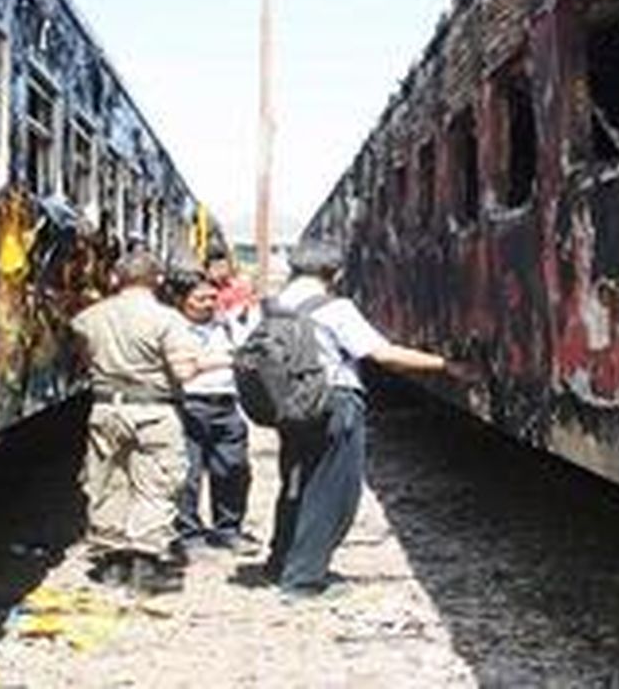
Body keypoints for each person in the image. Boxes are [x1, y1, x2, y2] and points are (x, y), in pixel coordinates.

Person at [265, 238, 480, 599]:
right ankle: (303, 580)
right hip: (333, 402)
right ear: (334, 273)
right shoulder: (336, 307)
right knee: (331, 491)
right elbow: (383, 354)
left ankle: (279, 562)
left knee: (295, 484)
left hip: (290, 405)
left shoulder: (275, 305)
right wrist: (446, 366)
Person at [70, 251, 204, 594]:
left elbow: (84, 361)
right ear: (157, 279)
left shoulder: (88, 318)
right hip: (154, 412)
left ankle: (112, 564)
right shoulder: (167, 319)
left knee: (107, 482)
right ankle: (145, 565)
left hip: (105, 410)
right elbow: (184, 371)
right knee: (155, 486)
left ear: (116, 278)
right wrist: (210, 361)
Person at [168, 271, 258, 555]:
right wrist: (216, 361)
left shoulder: (228, 326)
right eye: (200, 298)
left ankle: (228, 530)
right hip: (187, 406)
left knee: (233, 469)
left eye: (212, 297)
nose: (208, 303)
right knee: (187, 475)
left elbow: (247, 355)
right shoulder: (171, 329)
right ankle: (188, 533)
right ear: (181, 300)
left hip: (226, 406)